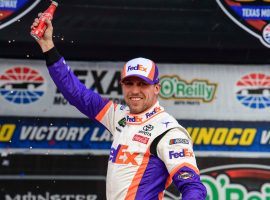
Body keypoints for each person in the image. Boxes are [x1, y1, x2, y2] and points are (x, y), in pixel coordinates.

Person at [31, 16, 207, 200]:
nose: (135, 91)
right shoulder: (119, 115)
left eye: (142, 84)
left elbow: (193, 186)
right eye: (129, 83)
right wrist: (48, 45)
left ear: (156, 88)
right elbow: (76, 93)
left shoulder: (169, 131)